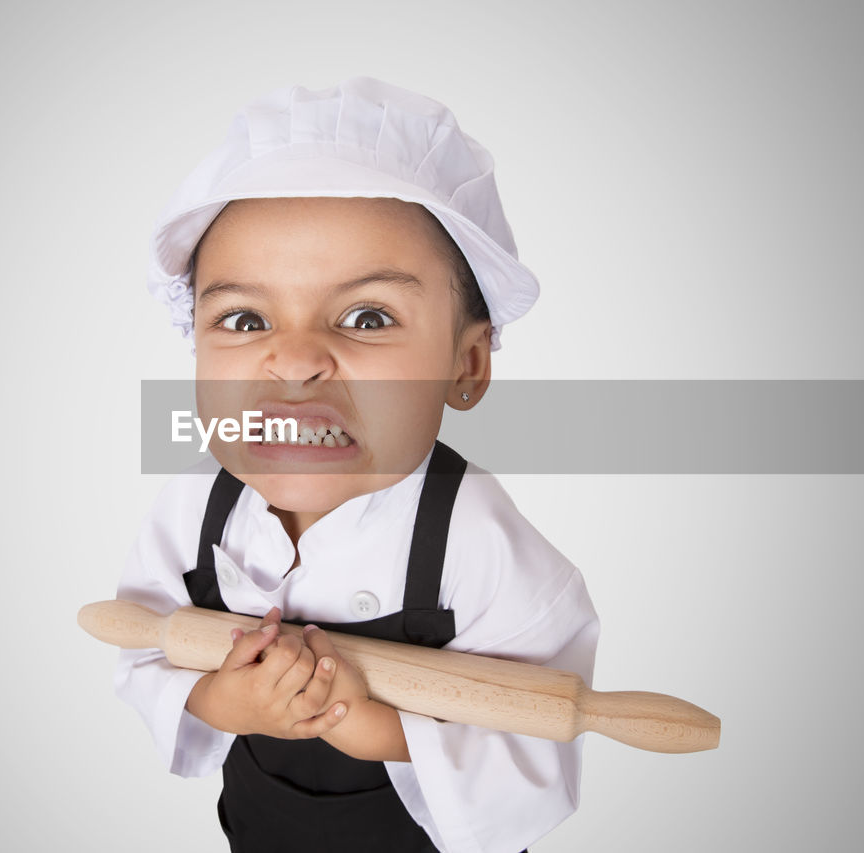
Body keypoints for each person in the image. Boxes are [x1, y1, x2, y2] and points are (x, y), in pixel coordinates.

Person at [113, 76, 601, 853]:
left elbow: (536, 746)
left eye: (366, 317)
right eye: (245, 318)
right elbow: (140, 643)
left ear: (466, 364)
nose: (298, 359)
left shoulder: (480, 547)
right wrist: (225, 700)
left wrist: (369, 721)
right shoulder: (196, 508)